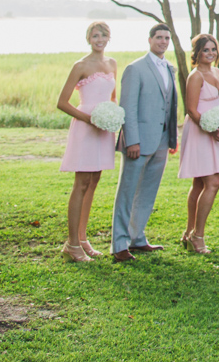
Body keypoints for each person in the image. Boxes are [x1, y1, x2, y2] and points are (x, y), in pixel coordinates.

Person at [111, 23, 178, 262]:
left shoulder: (170, 68)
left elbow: (169, 105)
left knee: (148, 192)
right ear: (150, 40)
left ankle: (137, 238)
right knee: (127, 192)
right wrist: (132, 141)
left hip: (161, 140)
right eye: (159, 37)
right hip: (138, 142)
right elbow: (127, 106)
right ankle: (119, 244)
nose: (163, 41)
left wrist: (172, 138)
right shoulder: (135, 68)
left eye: (166, 38)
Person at [56, 22, 118, 262]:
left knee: (94, 180)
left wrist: (112, 117)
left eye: (103, 35)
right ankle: (71, 245)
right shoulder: (80, 65)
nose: (99, 39)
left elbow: (112, 97)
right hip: (85, 127)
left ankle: (82, 239)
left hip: (104, 129)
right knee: (81, 182)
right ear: (88, 38)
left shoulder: (112, 64)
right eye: (95, 35)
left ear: (108, 38)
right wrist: (89, 119)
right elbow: (62, 102)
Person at [179, 32, 219, 255]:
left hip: (215, 130)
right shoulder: (196, 76)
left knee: (200, 184)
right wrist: (209, 130)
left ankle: (189, 233)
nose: (210, 53)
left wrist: (218, 127)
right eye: (205, 50)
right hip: (201, 131)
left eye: (213, 49)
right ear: (197, 53)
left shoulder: (217, 71)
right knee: (213, 182)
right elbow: (191, 109)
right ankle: (198, 236)